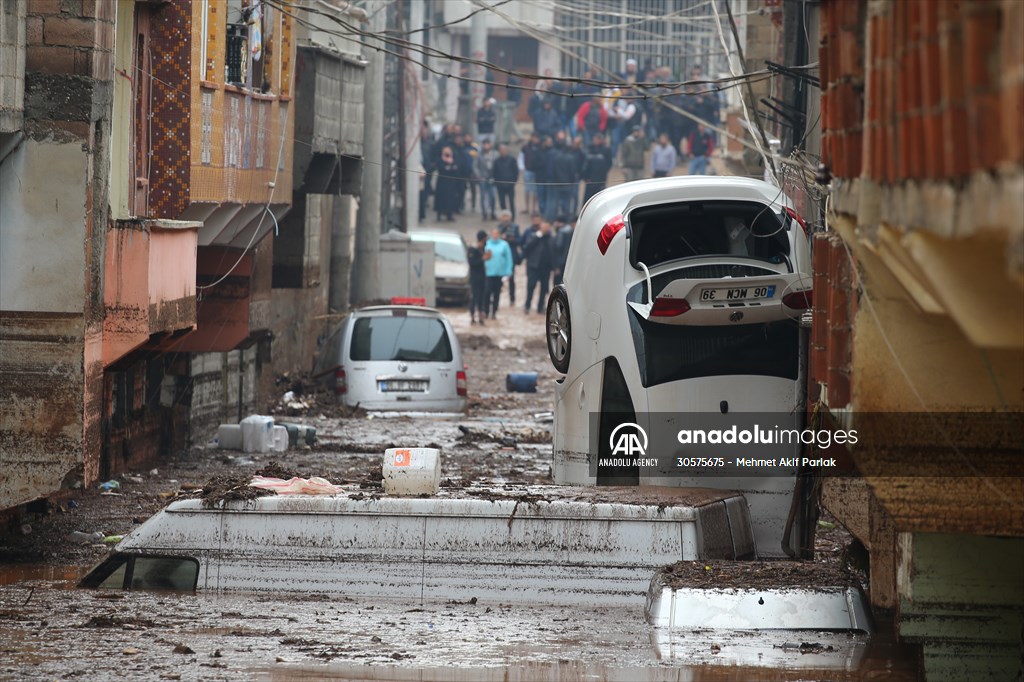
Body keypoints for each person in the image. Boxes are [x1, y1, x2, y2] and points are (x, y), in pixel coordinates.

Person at [521, 220, 555, 314]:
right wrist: (539, 235)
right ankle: (527, 305)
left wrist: (554, 267)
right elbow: (527, 246)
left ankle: (540, 307)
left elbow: (553, 253)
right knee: (531, 286)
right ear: (540, 227)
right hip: (533, 266)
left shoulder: (550, 238)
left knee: (544, 288)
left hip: (546, 268)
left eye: (547, 227)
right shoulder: (534, 236)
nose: (545, 229)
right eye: (544, 227)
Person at [484, 227, 513, 319]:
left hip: (500, 274)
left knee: (496, 294)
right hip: (488, 273)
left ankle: (494, 312)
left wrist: (508, 272)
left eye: (497, 234)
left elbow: (509, 258)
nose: (495, 236)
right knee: (487, 292)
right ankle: (486, 311)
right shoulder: (487, 244)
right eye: (494, 234)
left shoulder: (504, 245)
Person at [496, 210, 522, 305]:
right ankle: (496, 299)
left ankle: (512, 299)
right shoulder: (498, 228)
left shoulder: (515, 227)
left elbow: (519, 241)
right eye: (504, 216)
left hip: (511, 256)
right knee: (498, 279)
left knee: (511, 278)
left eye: (507, 216)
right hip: (500, 257)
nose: (505, 219)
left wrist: (511, 239)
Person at [580, 133, 613, 204]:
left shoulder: (606, 150)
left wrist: (603, 173)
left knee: (600, 198)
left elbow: (609, 163)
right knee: (588, 200)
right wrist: (585, 177)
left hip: (600, 179)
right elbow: (585, 165)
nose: (595, 141)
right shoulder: (589, 149)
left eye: (597, 139)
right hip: (590, 179)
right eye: (594, 139)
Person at [493, 143, 519, 220]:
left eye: (504, 150)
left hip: (510, 185)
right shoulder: (496, 161)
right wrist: (497, 183)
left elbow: (515, 171)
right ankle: (504, 218)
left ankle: (512, 218)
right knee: (502, 203)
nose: (503, 151)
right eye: (501, 150)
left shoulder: (512, 160)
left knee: (511, 202)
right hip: (500, 185)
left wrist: (513, 181)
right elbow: (494, 172)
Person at [467, 230, 488, 325]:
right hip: (475, 278)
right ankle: (472, 317)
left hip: (483, 277)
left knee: (481, 298)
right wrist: (482, 259)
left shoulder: (483, 248)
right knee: (474, 297)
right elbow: (472, 263)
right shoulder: (473, 249)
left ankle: (480, 317)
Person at [433, 146, 459, 221]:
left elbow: (455, 169)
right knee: (441, 199)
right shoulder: (440, 159)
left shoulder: (453, 159)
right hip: (442, 182)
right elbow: (442, 169)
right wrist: (449, 168)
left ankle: (449, 215)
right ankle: (439, 215)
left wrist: (449, 167)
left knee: (450, 199)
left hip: (451, 183)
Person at [519, 132, 542, 216]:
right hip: (528, 171)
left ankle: (533, 208)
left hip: (537, 171)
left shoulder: (540, 147)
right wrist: (522, 168)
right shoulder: (525, 147)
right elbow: (521, 157)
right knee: (527, 190)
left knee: (535, 191)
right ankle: (527, 207)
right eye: (534, 137)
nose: (536, 139)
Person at [474, 139, 498, 220]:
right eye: (485, 144)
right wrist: (479, 176)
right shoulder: (479, 154)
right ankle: (484, 213)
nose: (486, 146)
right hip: (483, 178)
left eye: (488, 144)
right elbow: (475, 166)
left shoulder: (495, 154)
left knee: (492, 196)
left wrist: (495, 176)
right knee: (483, 196)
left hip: (492, 178)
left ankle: (492, 212)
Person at [552, 216, 574, 286]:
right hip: (567, 264)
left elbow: (559, 248)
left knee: (557, 284)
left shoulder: (562, 232)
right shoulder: (570, 231)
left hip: (561, 264)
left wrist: (557, 266)